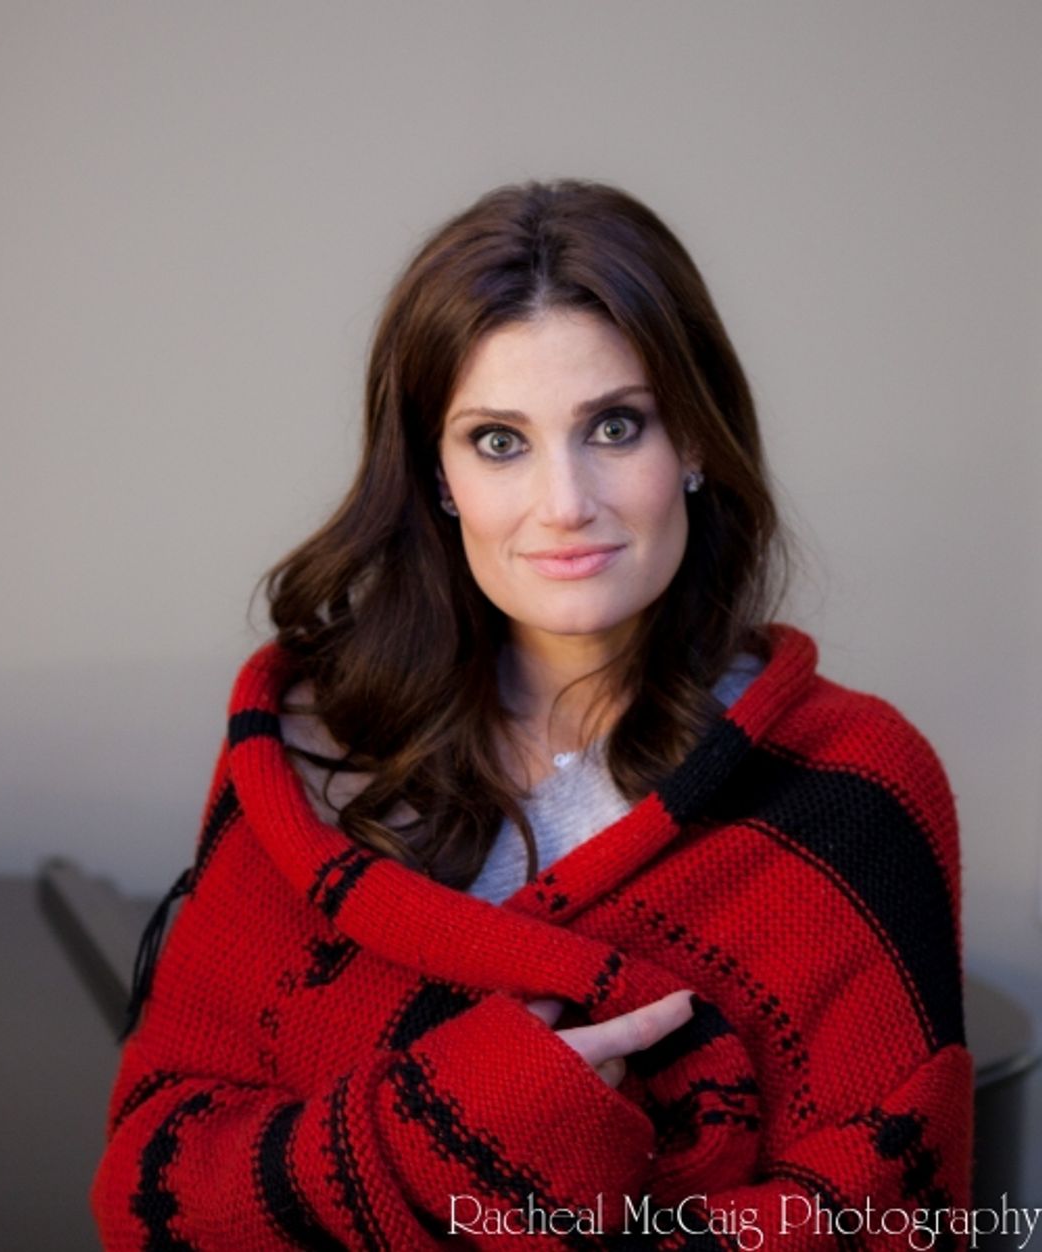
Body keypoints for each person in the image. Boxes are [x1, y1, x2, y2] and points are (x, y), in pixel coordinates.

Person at [90, 179, 973, 1250]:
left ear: (693, 441)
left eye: (615, 424)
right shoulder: (314, 763)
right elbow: (153, 1192)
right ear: (439, 475)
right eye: (499, 440)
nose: (565, 502)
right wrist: (463, 1125)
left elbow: (894, 1219)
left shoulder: (853, 790)